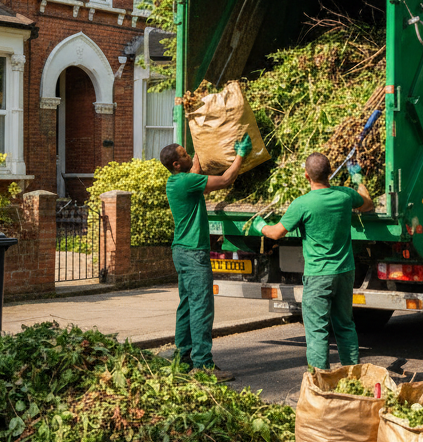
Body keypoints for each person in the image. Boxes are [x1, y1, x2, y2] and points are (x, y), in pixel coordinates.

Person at [261, 153, 374, 370]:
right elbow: (367, 204)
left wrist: (260, 226)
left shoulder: (302, 204)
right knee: (345, 325)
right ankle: (353, 375)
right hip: (345, 272)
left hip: (318, 275)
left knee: (317, 330)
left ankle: (320, 382)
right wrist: (358, 179)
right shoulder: (345, 196)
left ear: (306, 176)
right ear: (330, 173)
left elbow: (276, 233)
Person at [160, 137, 251, 381]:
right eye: (185, 154)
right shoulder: (188, 181)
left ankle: (184, 356)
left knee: (187, 305)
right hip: (193, 253)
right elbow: (225, 180)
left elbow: (196, 170)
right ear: (177, 164)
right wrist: (240, 154)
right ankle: (203, 364)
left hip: (181, 251)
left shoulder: (176, 181)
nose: (189, 155)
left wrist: (201, 146)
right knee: (201, 307)